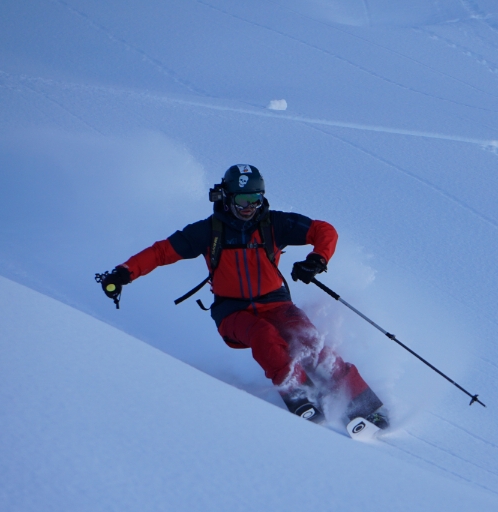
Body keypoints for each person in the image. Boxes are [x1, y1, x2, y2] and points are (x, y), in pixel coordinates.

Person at [99, 164, 388, 429]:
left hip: (276, 302)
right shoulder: (207, 232)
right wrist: (125, 272)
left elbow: (323, 230)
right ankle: (300, 397)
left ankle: (364, 404)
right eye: (242, 200)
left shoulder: (274, 224)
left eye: (255, 199)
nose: (249, 207)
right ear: (226, 197)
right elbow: (162, 252)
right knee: (263, 335)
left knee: (310, 340)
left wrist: (317, 259)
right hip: (233, 312)